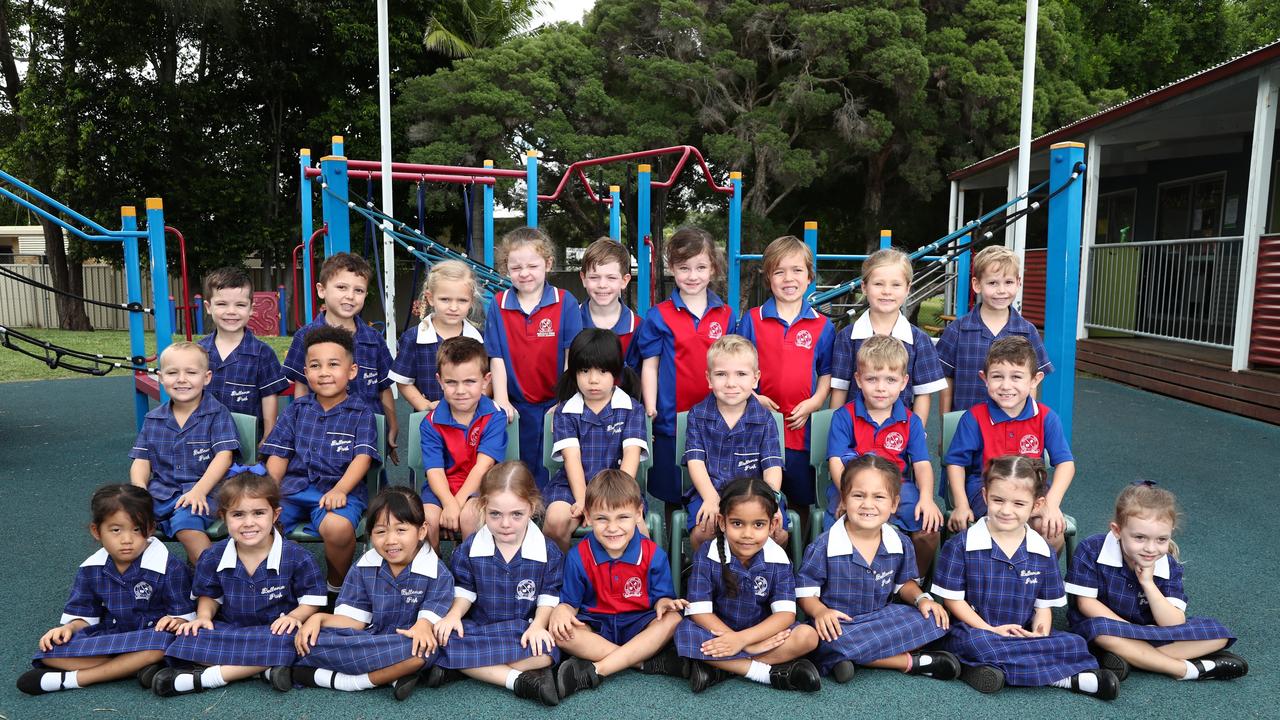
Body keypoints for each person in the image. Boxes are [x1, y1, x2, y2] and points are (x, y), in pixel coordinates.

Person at [930, 456, 1118, 700]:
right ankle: (1065, 680)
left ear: (1037, 505)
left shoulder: (1043, 551)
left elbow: (1043, 608)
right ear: (986, 496)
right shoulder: (960, 546)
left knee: (1075, 643)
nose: (1006, 510)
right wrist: (990, 629)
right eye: (998, 500)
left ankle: (987, 669)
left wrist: (1040, 633)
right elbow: (954, 602)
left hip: (1022, 634)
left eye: (1019, 503)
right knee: (977, 644)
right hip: (975, 630)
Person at [154, 470, 326, 696]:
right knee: (186, 637)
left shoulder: (297, 556)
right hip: (230, 629)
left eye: (258, 513)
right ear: (223, 516)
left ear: (275, 515)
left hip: (274, 631)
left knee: (297, 641)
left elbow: (312, 600)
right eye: (238, 515)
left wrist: (295, 617)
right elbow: (210, 595)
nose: (248, 523)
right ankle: (262, 670)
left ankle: (206, 678)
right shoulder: (213, 556)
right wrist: (204, 617)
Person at [17, 485, 193, 695]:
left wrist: (177, 621)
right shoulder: (90, 568)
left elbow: (184, 616)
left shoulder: (169, 566)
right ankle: (132, 668)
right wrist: (68, 629)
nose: (127, 539)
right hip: (113, 637)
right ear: (96, 531)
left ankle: (75, 679)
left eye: (137, 529)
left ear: (151, 528)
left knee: (164, 645)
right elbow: (84, 618)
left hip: (152, 637)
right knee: (48, 652)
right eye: (116, 530)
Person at [797, 455, 957, 683]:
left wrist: (922, 598)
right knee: (823, 637)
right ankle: (910, 662)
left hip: (883, 617)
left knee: (935, 618)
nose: (868, 505)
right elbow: (805, 594)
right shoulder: (824, 545)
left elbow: (904, 585)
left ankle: (848, 659)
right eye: (858, 496)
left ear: (893, 504)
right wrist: (820, 612)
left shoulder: (900, 542)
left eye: (879, 497)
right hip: (839, 623)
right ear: (844, 499)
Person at [1066, 481, 1246, 682]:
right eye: (1140, 538)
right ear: (1117, 530)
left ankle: (1130, 657)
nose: (1151, 548)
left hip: (1153, 631)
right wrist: (1131, 630)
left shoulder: (1167, 563)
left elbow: (1174, 622)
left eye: (1161, 540)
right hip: (1105, 627)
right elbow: (1086, 604)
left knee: (1218, 634)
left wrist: (1148, 584)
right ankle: (1183, 669)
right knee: (1101, 633)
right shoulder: (1091, 549)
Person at [294, 486, 455, 701]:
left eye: (401, 530)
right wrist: (318, 618)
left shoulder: (438, 572)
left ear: (422, 531)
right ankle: (395, 675)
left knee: (424, 652)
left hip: (407, 642)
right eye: (381, 532)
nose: (390, 540)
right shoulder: (364, 566)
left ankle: (348, 681)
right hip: (368, 638)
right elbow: (354, 621)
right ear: (371, 535)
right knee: (306, 637)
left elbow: (426, 626)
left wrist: (424, 626)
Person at [425, 462, 564, 706]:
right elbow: (464, 590)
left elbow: (548, 596)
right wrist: (454, 615)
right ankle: (518, 680)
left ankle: (462, 668)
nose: (505, 524)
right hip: (481, 627)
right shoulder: (469, 550)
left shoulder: (548, 552)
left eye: (516, 514)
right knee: (445, 640)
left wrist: (539, 626)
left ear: (531, 508)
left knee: (547, 652)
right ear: (482, 508)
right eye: (495, 514)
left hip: (524, 629)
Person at [551, 469, 688, 699]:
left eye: (622, 517)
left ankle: (598, 669)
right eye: (602, 518)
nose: (612, 528)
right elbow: (570, 605)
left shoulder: (652, 553)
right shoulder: (578, 556)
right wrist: (561, 611)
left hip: (638, 623)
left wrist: (665, 602)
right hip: (597, 626)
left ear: (638, 514)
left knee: (673, 619)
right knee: (560, 632)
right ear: (588, 516)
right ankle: (642, 662)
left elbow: (662, 597)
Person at [263, 326, 381, 595]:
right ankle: (273, 585)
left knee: (338, 528)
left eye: (333, 365)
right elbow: (280, 454)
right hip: (292, 490)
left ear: (351, 371)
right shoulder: (296, 410)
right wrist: (268, 491)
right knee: (257, 519)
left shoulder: (360, 413)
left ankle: (335, 587)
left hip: (339, 490)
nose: (324, 372)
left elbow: (362, 457)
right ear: (306, 373)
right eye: (315, 366)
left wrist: (340, 489)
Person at [675, 477, 820, 693]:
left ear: (773, 525)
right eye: (737, 523)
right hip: (717, 631)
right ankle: (764, 673)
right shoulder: (707, 553)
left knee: (808, 637)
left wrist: (742, 640)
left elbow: (785, 615)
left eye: (758, 524)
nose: (747, 534)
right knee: (684, 632)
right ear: (722, 522)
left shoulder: (778, 558)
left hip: (760, 633)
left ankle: (721, 668)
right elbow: (699, 612)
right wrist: (741, 643)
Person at [944, 336, 1075, 552]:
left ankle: (1034, 581)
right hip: (987, 490)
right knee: (1003, 524)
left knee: (1051, 530)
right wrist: (961, 504)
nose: (1006, 386)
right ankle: (997, 580)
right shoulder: (974, 417)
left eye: (1016, 377)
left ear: (1035, 379)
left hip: (1033, 489)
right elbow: (956, 463)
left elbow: (1066, 464)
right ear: (984, 378)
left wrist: (1052, 504)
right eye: (997, 377)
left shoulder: (1046, 417)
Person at [736, 235, 834, 521]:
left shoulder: (822, 325)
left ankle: (797, 559)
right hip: (758, 426)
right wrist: (754, 398)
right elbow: (738, 367)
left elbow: (827, 374)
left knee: (801, 502)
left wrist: (815, 403)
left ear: (809, 277)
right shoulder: (753, 320)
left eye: (797, 270)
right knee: (758, 497)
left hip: (799, 427)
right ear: (768, 277)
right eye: (779, 271)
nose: (788, 278)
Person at [825, 336, 942, 575]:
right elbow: (835, 462)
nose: (880, 388)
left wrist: (927, 498)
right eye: (871, 379)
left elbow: (922, 464)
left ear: (903, 382)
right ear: (858, 380)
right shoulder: (844, 416)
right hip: (852, 488)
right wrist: (846, 495)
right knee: (836, 529)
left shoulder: (910, 421)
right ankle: (844, 584)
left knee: (929, 529)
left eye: (890, 380)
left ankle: (910, 583)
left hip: (898, 487)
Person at [636, 227, 735, 508]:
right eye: (684, 268)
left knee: (713, 490)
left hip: (716, 419)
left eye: (700, 267)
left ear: (713, 269)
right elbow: (651, 366)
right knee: (672, 493)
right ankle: (671, 551)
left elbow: (733, 364)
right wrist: (651, 407)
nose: (692, 276)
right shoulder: (659, 316)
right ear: (672, 269)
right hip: (670, 418)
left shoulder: (726, 315)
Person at [484, 228, 583, 488]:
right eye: (516, 267)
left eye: (532, 265)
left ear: (548, 264)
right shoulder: (498, 303)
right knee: (518, 469)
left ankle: (549, 516)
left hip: (554, 399)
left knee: (553, 467)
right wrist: (502, 398)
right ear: (506, 268)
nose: (524, 273)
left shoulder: (565, 301)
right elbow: (496, 356)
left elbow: (570, 357)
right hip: (517, 401)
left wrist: (564, 398)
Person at [283, 252, 398, 464]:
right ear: (321, 290)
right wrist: (302, 421)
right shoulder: (305, 337)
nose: (350, 296)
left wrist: (393, 425)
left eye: (359, 290)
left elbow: (383, 387)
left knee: (373, 486)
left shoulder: (373, 339)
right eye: (342, 287)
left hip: (367, 430)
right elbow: (301, 384)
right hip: (321, 428)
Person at [129, 341, 238, 562]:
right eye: (172, 373)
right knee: (126, 522)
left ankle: (212, 582)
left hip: (204, 493)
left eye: (191, 372)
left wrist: (199, 490)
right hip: (160, 493)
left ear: (206, 377)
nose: (181, 379)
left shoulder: (217, 413)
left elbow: (224, 456)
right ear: (160, 377)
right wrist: (140, 492)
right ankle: (138, 581)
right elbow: (141, 459)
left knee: (186, 526)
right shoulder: (153, 419)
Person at [544, 328, 649, 549]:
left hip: (619, 486)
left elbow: (631, 456)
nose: (593, 380)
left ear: (615, 373)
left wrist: (613, 500)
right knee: (555, 521)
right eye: (584, 371)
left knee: (638, 530)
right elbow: (571, 460)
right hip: (572, 487)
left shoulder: (632, 409)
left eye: (602, 371)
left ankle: (635, 579)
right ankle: (559, 579)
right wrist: (584, 501)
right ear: (574, 373)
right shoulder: (565, 412)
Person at [685, 335, 787, 550]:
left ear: (755, 378)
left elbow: (772, 466)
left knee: (778, 533)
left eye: (741, 374)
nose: (731, 383)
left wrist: (771, 500)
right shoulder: (698, 415)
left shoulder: (764, 419)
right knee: (703, 531)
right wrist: (711, 498)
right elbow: (695, 460)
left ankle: (763, 577)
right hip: (710, 490)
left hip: (755, 494)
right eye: (721, 374)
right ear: (709, 379)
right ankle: (703, 574)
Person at [829, 249, 946, 424]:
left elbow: (922, 394)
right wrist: (835, 432)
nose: (887, 291)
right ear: (864, 287)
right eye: (878, 284)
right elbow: (840, 390)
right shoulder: (847, 337)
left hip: (900, 437)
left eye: (896, 285)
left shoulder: (919, 341)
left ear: (907, 289)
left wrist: (916, 436)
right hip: (853, 436)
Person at [936, 245, 1052, 416]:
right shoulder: (957, 331)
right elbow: (946, 382)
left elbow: (1031, 383)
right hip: (965, 427)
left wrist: (1028, 423)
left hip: (1011, 427)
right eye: (992, 283)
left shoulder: (1028, 332)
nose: (1001, 290)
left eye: (1009, 282)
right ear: (977, 284)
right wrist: (945, 428)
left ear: (1018, 282)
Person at [419, 336, 507, 546]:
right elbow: (434, 471)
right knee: (427, 519)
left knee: (469, 516)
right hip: (441, 486)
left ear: (486, 381)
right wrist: (449, 503)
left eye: (470, 381)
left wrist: (456, 505)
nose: (460, 391)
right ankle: (434, 570)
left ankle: (467, 569)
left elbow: (482, 467)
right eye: (451, 382)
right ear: (440, 381)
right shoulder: (431, 422)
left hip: (481, 485)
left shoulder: (494, 416)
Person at [197, 266, 289, 441]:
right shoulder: (198, 351)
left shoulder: (263, 353)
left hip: (247, 442)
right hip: (204, 439)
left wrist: (268, 437)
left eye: (240, 305)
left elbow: (269, 397)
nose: (231, 311)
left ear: (251, 308)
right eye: (222, 304)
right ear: (208, 307)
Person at [390, 259, 484, 413]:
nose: (453, 307)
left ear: (471, 301)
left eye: (462, 300)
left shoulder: (480, 340)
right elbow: (404, 381)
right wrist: (424, 405)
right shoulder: (413, 338)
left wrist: (477, 402)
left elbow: (489, 378)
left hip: (472, 417)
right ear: (430, 298)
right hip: (429, 421)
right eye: (445, 299)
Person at [578, 237, 640, 359]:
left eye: (611, 278)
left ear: (624, 280)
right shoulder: (569, 320)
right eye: (594, 277)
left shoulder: (639, 328)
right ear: (583, 278)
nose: (602, 285)